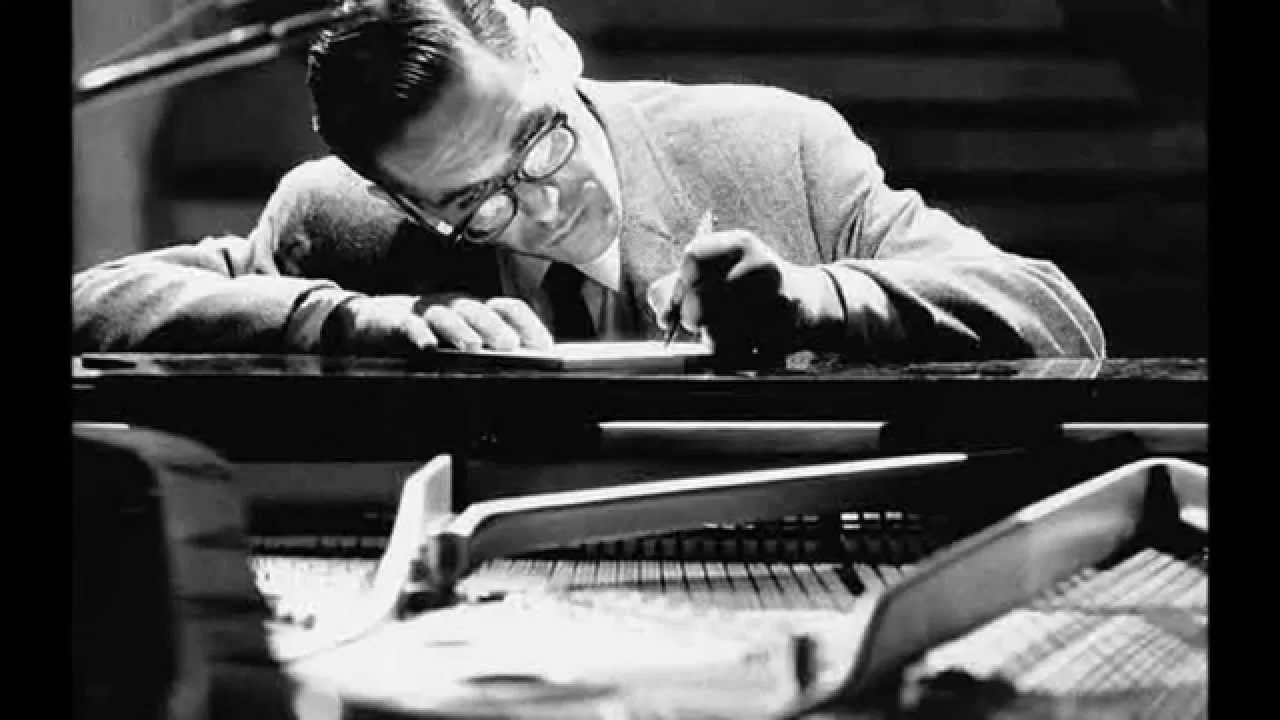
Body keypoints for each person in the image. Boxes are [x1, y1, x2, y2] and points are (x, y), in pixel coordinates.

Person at [72, 0, 1105, 363]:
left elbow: (1057, 321)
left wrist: (813, 300)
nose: (541, 206)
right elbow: (94, 306)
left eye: (540, 142)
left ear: (550, 48)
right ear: (398, 203)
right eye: (474, 203)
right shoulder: (337, 222)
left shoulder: (775, 145)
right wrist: (345, 322)